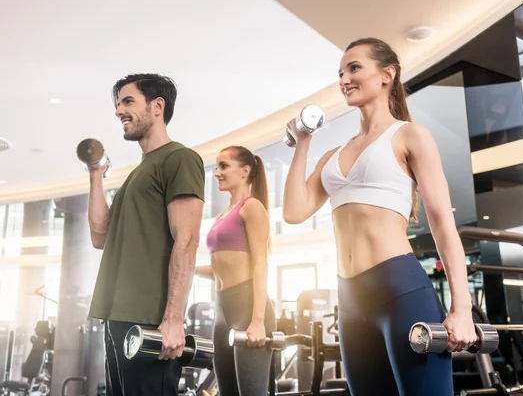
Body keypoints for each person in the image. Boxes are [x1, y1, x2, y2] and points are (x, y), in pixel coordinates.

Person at [282, 38, 477, 395]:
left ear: (387, 75)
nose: (344, 79)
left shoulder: (410, 136)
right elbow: (294, 212)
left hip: (400, 289)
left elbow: (442, 225)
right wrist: (303, 142)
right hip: (351, 300)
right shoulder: (331, 155)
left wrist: (461, 307)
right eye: (340, 72)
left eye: (354, 68)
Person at [87, 73, 206, 396]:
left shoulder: (179, 159)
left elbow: (187, 241)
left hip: (149, 319)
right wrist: (95, 174)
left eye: (127, 101)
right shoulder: (138, 173)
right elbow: (100, 236)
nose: (118, 111)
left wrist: (173, 318)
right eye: (117, 104)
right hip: (117, 314)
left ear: (157, 106)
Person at [194, 145, 275, 396]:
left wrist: (258, 321)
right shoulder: (221, 216)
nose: (217, 172)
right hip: (222, 310)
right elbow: (221, 268)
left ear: (245, 171)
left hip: (247, 307)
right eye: (217, 166)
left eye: (224, 166)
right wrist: (187, 269)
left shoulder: (252, 208)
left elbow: (261, 265)